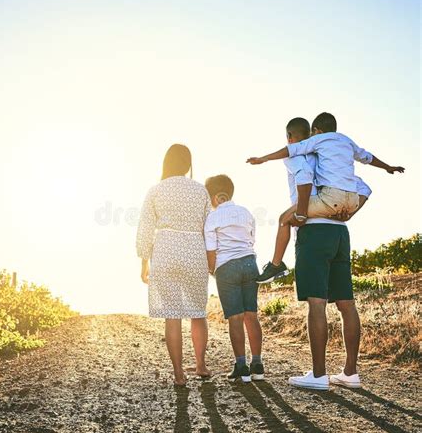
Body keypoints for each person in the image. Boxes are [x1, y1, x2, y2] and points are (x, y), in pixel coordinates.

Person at [247, 112, 405, 283]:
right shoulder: (341, 146)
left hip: (318, 219)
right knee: (344, 301)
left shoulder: (310, 146)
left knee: (284, 219)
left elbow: (302, 172)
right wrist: (388, 167)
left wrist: (263, 159)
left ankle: (276, 264)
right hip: (344, 216)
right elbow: (365, 182)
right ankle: (276, 263)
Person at [136, 144, 211, 386]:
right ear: (189, 165)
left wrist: (143, 262)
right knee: (198, 312)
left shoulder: (156, 190)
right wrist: (211, 259)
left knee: (173, 315)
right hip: (194, 250)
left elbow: (145, 229)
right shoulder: (200, 191)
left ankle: (179, 373)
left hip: (165, 251)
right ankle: (200, 364)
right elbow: (209, 227)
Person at [204, 175, 264, 383]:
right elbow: (251, 239)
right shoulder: (246, 213)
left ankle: (241, 366)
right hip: (250, 263)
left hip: (226, 266)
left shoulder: (212, 218)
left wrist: (212, 269)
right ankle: (257, 364)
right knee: (251, 315)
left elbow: (210, 249)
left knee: (236, 318)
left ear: (214, 197)